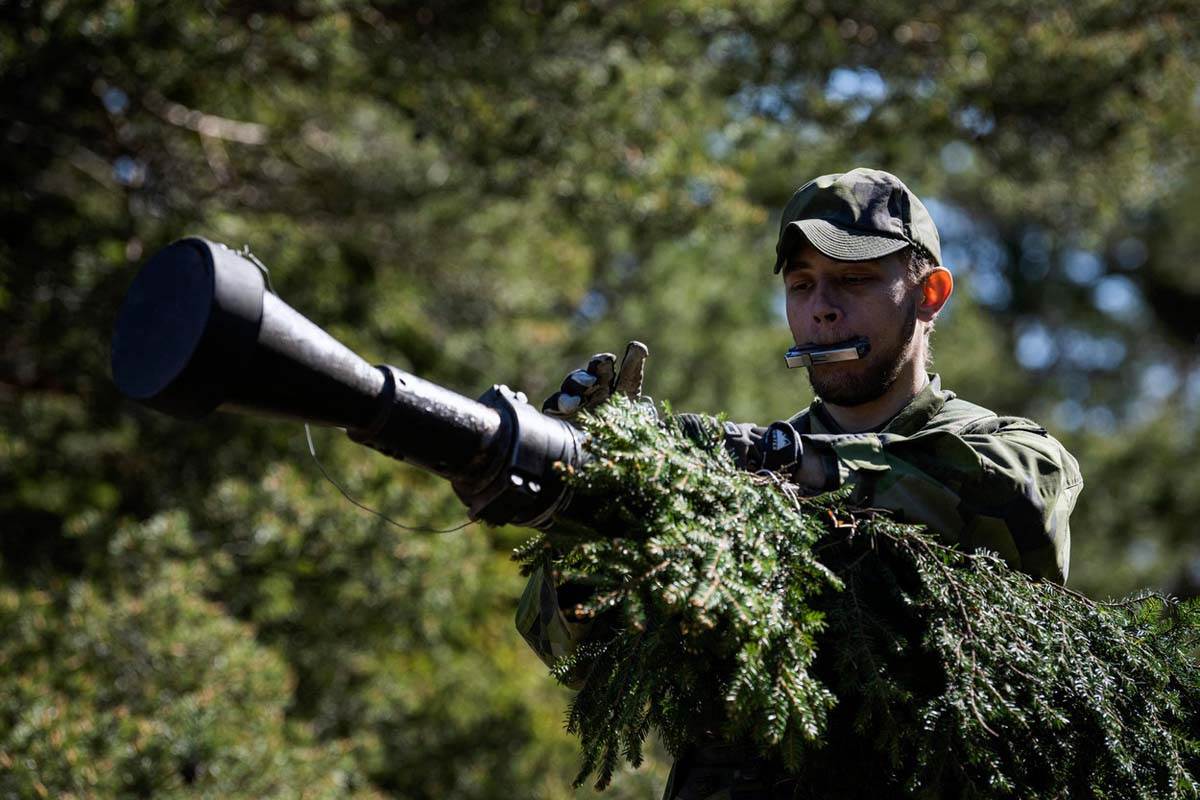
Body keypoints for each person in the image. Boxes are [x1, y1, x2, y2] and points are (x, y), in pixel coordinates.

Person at [518, 168, 1083, 799]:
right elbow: (574, 655)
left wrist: (800, 464)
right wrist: (587, 500)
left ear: (930, 294)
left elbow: (1018, 503)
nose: (822, 308)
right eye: (801, 284)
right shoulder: (739, 477)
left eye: (854, 279)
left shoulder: (1002, 447)